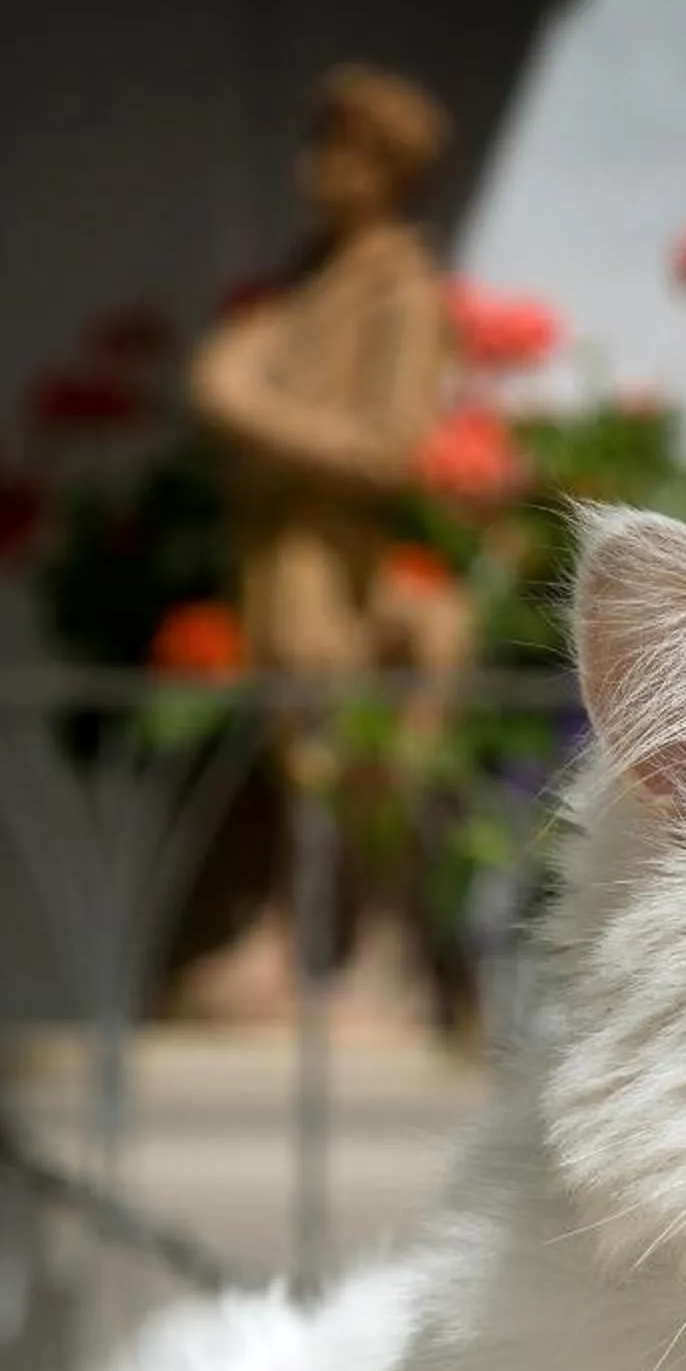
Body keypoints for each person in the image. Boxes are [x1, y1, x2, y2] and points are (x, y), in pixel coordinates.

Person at [182, 64, 475, 1031]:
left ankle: (380, 952)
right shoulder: (313, 285)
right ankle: (290, 932)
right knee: (295, 744)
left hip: (339, 556)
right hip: (281, 551)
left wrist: (251, 413)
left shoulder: (400, 291)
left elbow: (391, 450)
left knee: (354, 751)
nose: (320, 167)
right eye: (320, 143)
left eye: (345, 148)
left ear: (389, 169)